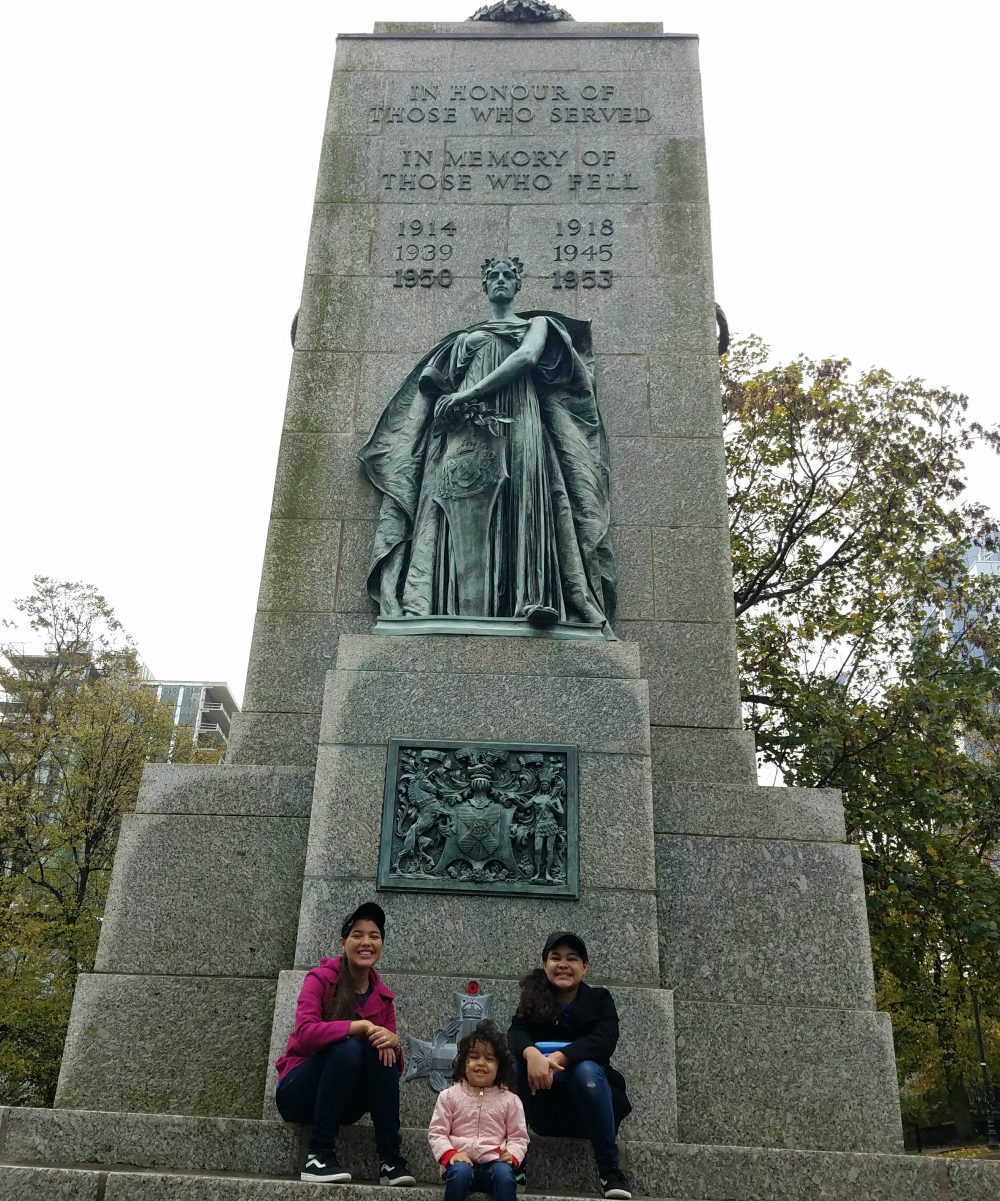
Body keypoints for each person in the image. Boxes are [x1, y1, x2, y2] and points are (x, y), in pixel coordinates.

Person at [358, 256, 616, 629]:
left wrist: (468, 394)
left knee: (527, 498)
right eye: (493, 276)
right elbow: (437, 389)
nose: (500, 280)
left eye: (508, 275)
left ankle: (534, 599)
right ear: (484, 285)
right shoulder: (464, 339)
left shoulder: (537, 325)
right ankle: (449, 603)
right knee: (459, 498)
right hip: (470, 428)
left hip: (521, 418)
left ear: (517, 285)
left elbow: (527, 358)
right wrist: (450, 405)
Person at [274, 901, 415, 1186]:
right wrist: (358, 1027)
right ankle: (318, 1155)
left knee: (383, 1051)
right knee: (349, 1046)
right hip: (298, 1092)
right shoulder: (320, 979)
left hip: (346, 1104)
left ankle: (390, 1159)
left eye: (374, 936)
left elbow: (388, 1073)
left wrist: (395, 1044)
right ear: (343, 942)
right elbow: (305, 1033)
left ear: (382, 944)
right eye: (358, 935)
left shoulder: (383, 998)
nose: (366, 942)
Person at [507, 932, 632, 1200]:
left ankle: (610, 1170)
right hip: (546, 1109)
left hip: (588, 1111)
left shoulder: (599, 999)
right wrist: (533, 1055)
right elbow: (516, 1033)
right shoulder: (533, 999)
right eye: (556, 958)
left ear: (584, 966)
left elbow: (604, 1040)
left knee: (586, 1069)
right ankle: (514, 1163)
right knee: (516, 1066)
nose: (563, 964)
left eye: (572, 958)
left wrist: (559, 1058)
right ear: (545, 964)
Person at [428, 1021, 529, 1201]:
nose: (481, 1064)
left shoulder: (510, 1100)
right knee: (460, 1173)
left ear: (500, 1068)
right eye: (474, 1057)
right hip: (460, 1163)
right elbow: (437, 1132)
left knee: (505, 1176)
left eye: (489, 1059)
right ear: (463, 1063)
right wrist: (450, 1154)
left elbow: (518, 1137)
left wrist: (512, 1155)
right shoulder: (449, 1096)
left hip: (495, 1164)